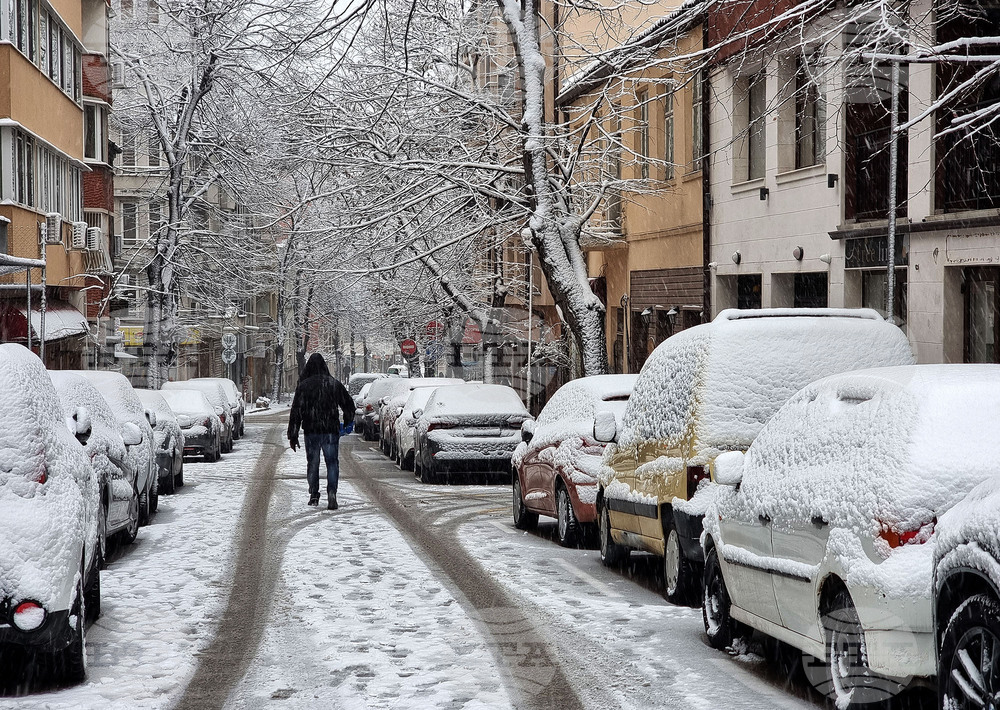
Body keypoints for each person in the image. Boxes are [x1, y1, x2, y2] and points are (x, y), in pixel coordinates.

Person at [287, 353, 355, 509]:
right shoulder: (333, 384)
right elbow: (348, 405)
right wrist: (348, 421)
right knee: (332, 463)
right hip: (330, 430)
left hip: (311, 431)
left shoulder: (303, 386)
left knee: (313, 463)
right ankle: (332, 492)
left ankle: (314, 494)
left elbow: (295, 412)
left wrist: (293, 435)